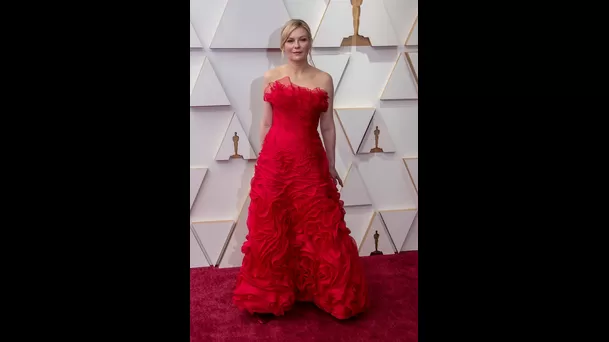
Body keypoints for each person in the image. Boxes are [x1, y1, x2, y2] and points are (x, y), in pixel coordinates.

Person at [232, 19, 368, 323]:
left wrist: (331, 164)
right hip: (275, 163)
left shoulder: (323, 79)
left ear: (309, 43)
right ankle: (270, 296)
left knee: (319, 228)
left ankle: (326, 293)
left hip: (309, 162)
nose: (297, 45)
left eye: (302, 39)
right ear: (283, 45)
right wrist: (262, 160)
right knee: (273, 229)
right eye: (291, 40)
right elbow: (266, 123)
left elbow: (328, 126)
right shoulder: (271, 76)